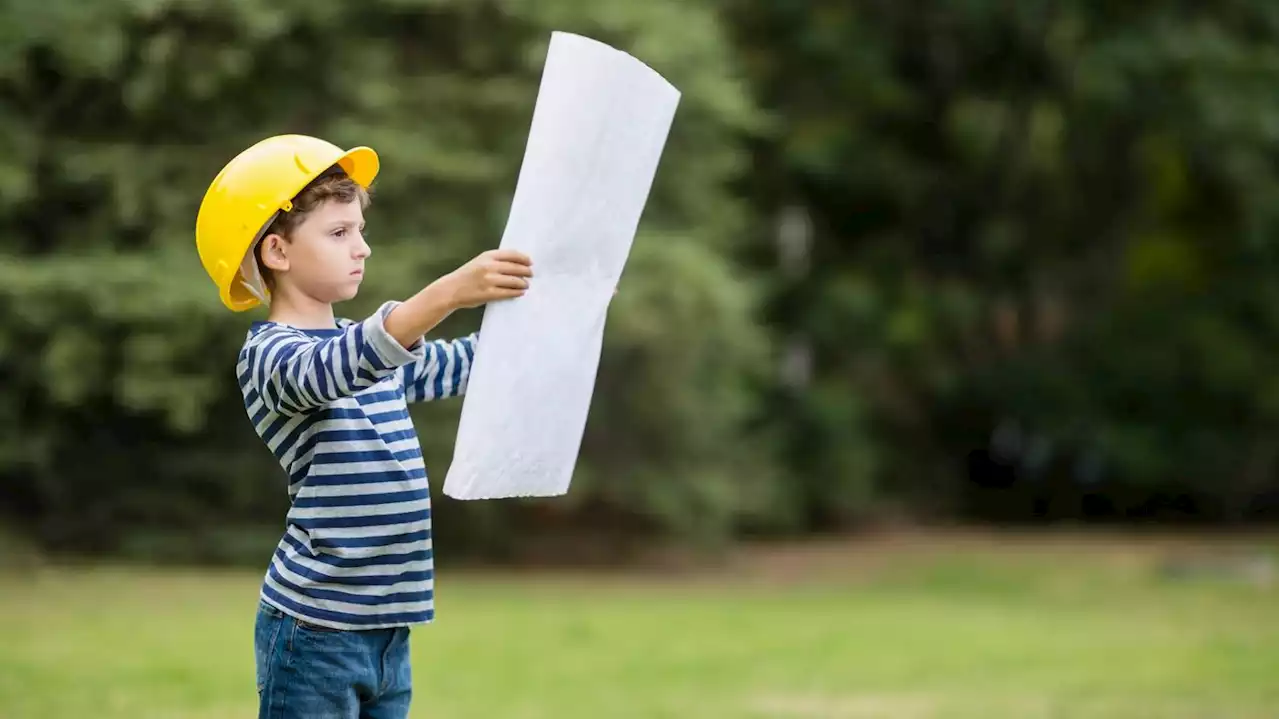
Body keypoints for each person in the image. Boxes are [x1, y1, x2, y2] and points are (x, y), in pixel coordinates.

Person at [195, 134, 534, 719]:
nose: (362, 248)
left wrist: (564, 310)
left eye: (359, 230)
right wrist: (450, 291)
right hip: (314, 631)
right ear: (277, 252)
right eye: (338, 233)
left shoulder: (377, 354)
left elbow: (467, 363)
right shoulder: (272, 356)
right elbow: (341, 366)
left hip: (386, 627)